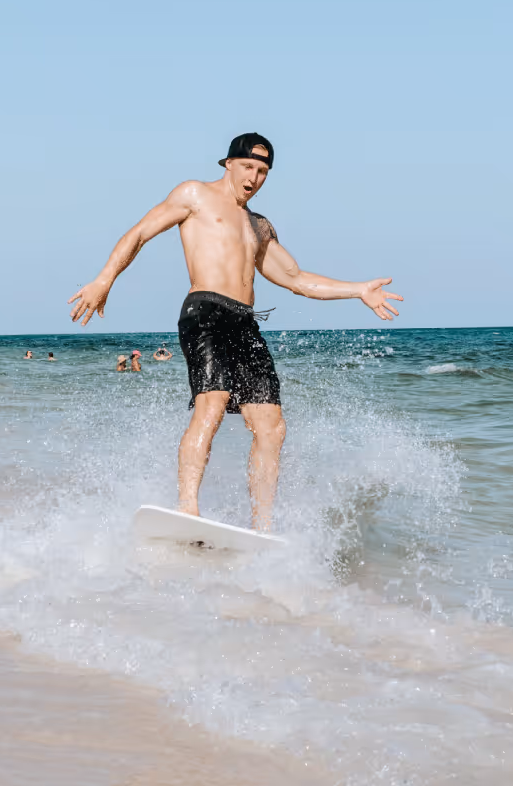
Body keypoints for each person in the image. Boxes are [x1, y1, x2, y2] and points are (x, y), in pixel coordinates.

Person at [68, 132, 402, 531]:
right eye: (248, 167)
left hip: (244, 321)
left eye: (263, 171)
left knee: (271, 426)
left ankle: (263, 528)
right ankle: (188, 508)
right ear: (228, 163)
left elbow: (296, 278)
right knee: (212, 404)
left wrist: (358, 290)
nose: (254, 177)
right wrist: (104, 279)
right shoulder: (194, 195)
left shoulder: (258, 226)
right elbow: (140, 232)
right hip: (204, 311)